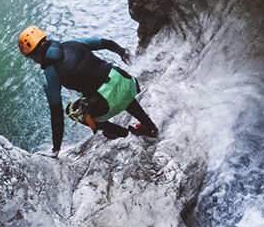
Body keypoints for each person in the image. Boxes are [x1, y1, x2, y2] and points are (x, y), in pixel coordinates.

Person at [17, 26, 159, 155]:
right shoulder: (73, 43)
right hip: (128, 82)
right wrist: (122, 52)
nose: (33, 60)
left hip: (106, 102)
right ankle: (149, 127)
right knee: (116, 85)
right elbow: (105, 43)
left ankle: (116, 131)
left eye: (31, 57)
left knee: (73, 110)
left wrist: (56, 149)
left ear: (37, 53)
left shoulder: (51, 72)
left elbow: (56, 113)